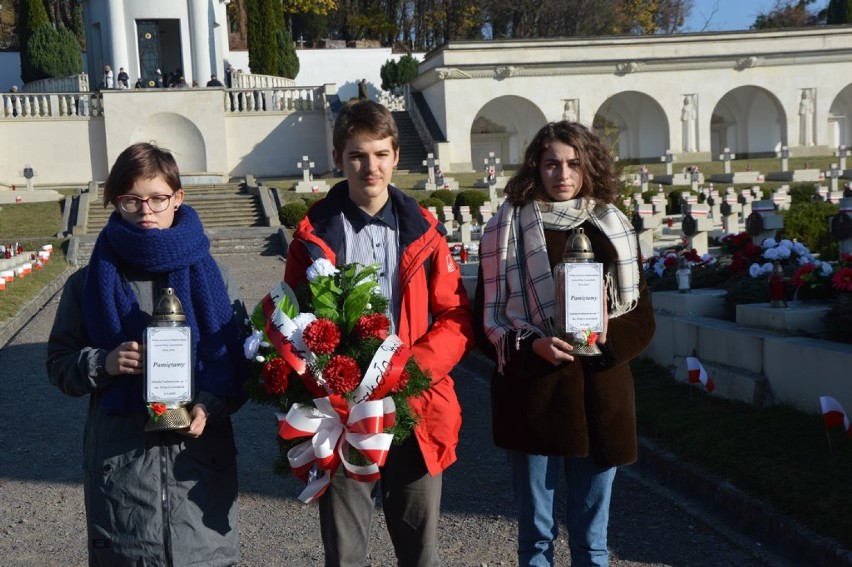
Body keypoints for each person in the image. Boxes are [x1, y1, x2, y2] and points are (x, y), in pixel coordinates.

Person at [283, 99, 474, 566]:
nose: (370, 167)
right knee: (346, 556)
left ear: (396, 155)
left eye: (380, 154)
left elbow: (455, 316)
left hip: (414, 403)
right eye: (357, 155)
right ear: (338, 158)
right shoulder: (314, 236)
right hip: (343, 411)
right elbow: (290, 317)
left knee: (418, 553)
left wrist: (412, 370)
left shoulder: (425, 232)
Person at [46, 142, 249, 566]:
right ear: (114, 203)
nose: (146, 211)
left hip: (197, 472)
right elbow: (58, 365)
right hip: (123, 476)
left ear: (178, 198)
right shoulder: (88, 284)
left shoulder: (216, 278)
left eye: (158, 198)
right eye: (131, 200)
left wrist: (209, 406)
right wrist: (102, 362)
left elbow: (240, 369)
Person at [474, 121, 655, 567]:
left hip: (600, 394)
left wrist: (606, 343)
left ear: (589, 166)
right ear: (536, 165)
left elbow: (641, 317)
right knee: (536, 535)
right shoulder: (505, 228)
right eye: (552, 163)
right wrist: (530, 348)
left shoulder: (611, 225)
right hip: (533, 392)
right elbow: (486, 321)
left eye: (574, 163)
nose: (563, 174)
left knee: (592, 540)